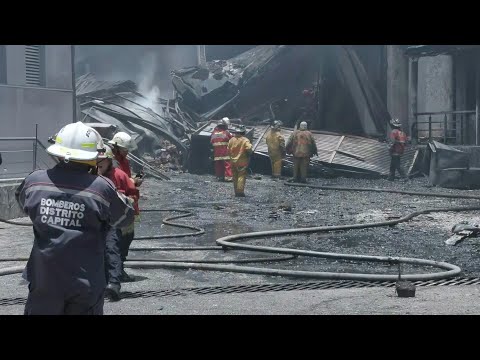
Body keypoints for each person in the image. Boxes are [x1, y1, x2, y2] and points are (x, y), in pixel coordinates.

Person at [15, 122, 134, 315]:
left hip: (44, 279)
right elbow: (125, 219)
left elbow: (23, 205)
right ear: (94, 156)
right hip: (85, 283)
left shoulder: (34, 181)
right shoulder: (102, 188)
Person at [96, 145, 138, 301]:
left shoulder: (119, 174)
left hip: (113, 220)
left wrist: (127, 201)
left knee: (112, 248)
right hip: (95, 220)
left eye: (101, 162)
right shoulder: (90, 175)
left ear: (108, 161)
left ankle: (114, 284)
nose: (97, 164)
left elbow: (133, 192)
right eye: (95, 161)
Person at [108, 131, 141, 282]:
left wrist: (133, 181)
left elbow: (125, 179)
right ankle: (115, 270)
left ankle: (119, 267)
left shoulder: (124, 161)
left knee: (128, 237)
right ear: (116, 147)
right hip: (120, 204)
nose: (127, 152)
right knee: (117, 239)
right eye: (124, 149)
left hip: (129, 202)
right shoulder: (111, 162)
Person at [228, 125, 253, 197]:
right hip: (242, 161)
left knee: (235, 176)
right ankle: (240, 192)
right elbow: (249, 148)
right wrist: (249, 153)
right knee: (241, 176)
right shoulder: (245, 140)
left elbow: (228, 150)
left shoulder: (231, 140)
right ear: (243, 132)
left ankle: (236, 192)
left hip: (233, 161)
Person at [210, 117, 233, 182]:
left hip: (217, 152)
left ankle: (219, 177)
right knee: (227, 164)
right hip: (225, 151)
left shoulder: (213, 133)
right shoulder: (226, 132)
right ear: (224, 126)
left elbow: (211, 142)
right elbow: (232, 140)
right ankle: (228, 177)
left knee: (218, 164)